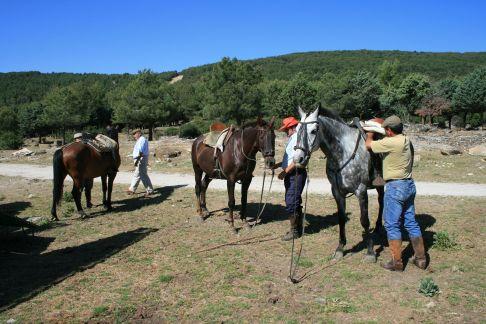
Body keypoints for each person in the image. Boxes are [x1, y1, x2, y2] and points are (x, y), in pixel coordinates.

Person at [365, 115, 427, 271]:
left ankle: (397, 262)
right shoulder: (405, 139)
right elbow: (391, 134)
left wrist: (370, 133)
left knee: (392, 224)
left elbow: (368, 145)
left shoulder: (390, 142)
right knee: (411, 222)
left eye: (387, 129)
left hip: (395, 187)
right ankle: (421, 259)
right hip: (409, 185)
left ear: (390, 131)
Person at [276, 116, 307, 241]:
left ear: (292, 128)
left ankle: (295, 231)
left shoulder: (297, 139)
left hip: (296, 173)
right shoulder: (293, 138)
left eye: (286, 130)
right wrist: (279, 164)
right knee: (294, 200)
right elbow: (289, 159)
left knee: (291, 201)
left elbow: (297, 159)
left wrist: (285, 172)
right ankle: (298, 227)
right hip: (292, 174)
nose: (285, 132)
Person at [126, 129, 154, 196]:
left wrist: (137, 161)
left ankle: (150, 190)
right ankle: (132, 189)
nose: (133, 136)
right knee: (137, 175)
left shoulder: (142, 140)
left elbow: (140, 152)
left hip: (141, 159)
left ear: (138, 133)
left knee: (143, 175)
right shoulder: (140, 140)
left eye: (134, 134)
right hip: (140, 158)